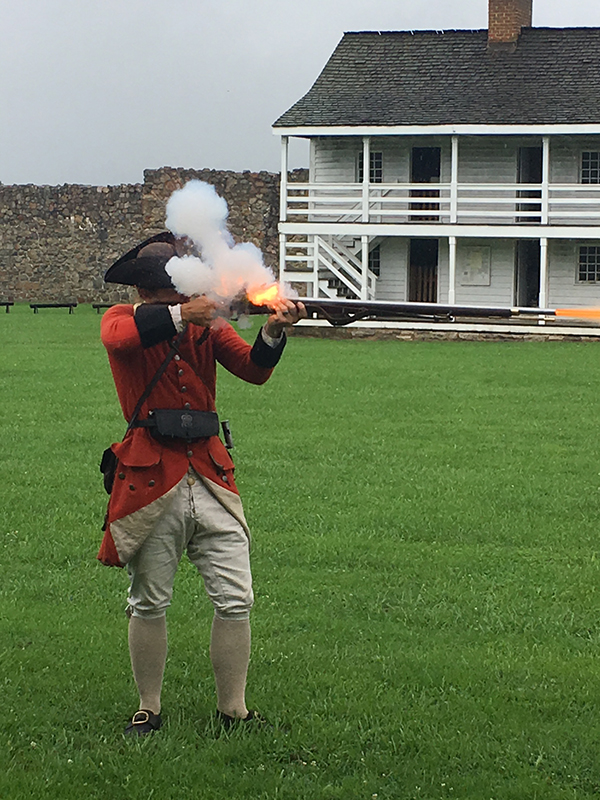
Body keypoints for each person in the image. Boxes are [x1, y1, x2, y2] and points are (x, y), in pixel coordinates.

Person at [98, 231, 306, 736]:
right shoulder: (123, 318)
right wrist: (179, 316)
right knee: (149, 600)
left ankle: (233, 708)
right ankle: (148, 706)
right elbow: (121, 338)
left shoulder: (207, 328)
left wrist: (275, 330)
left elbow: (253, 371)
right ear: (163, 288)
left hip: (211, 474)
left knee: (236, 597)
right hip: (152, 477)